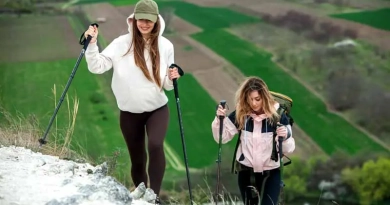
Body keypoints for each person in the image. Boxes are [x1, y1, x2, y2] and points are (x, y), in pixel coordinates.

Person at [83, 0, 180, 203]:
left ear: (156, 21)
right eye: (140, 19)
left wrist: (172, 78)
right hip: (128, 112)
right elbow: (97, 67)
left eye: (149, 20)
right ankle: (140, 190)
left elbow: (168, 84)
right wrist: (91, 45)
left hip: (157, 109)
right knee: (136, 156)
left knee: (155, 145)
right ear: (133, 20)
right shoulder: (121, 43)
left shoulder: (166, 46)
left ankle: (153, 194)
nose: (144, 24)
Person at [211, 76, 295, 205]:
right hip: (246, 172)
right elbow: (221, 138)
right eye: (250, 99)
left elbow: (289, 149)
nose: (254, 103)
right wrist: (219, 120)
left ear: (264, 98)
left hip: (271, 173)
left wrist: (284, 137)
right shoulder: (241, 114)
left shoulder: (278, 116)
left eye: (257, 99)